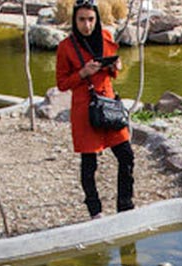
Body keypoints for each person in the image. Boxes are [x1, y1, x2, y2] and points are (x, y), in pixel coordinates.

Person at [56, 0, 134, 219]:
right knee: (89, 162)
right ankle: (95, 211)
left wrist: (116, 67)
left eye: (91, 19)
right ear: (75, 20)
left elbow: (112, 72)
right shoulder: (66, 46)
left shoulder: (106, 37)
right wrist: (82, 72)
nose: (87, 25)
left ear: (97, 19)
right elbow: (62, 83)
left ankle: (125, 205)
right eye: (82, 20)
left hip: (108, 104)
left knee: (126, 155)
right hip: (85, 108)